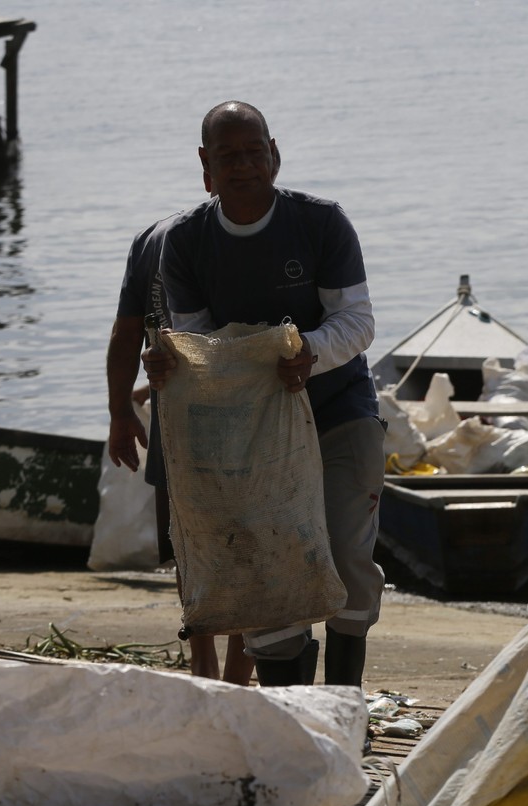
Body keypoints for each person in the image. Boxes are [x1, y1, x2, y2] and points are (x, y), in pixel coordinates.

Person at [146, 101, 385, 688]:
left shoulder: (322, 223)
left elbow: (356, 323)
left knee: (350, 555)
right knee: (262, 566)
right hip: (244, 432)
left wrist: (309, 352)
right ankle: (291, 709)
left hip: (338, 411)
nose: (244, 165)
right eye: (228, 156)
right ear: (206, 167)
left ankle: (345, 699)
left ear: (275, 154)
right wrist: (168, 359)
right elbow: (197, 343)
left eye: (255, 151)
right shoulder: (184, 241)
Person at [105, 215, 253, 685]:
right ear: (208, 172)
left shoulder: (152, 237)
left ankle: (216, 673)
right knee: (228, 544)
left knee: (204, 544)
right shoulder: (162, 241)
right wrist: (121, 413)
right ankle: (215, 673)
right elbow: (129, 332)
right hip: (205, 416)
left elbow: (127, 332)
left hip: (209, 411)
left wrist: (121, 411)